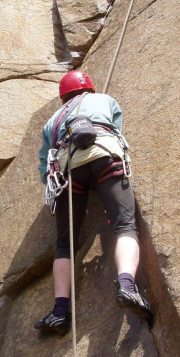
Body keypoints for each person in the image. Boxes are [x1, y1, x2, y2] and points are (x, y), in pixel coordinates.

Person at [35, 70, 152, 334]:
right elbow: (116, 129)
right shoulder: (105, 100)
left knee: (65, 244)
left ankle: (59, 312)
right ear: (89, 88)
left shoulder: (52, 121)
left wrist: (54, 179)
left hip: (68, 170)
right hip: (104, 155)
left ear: (63, 96)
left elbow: (44, 166)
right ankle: (126, 286)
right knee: (125, 226)